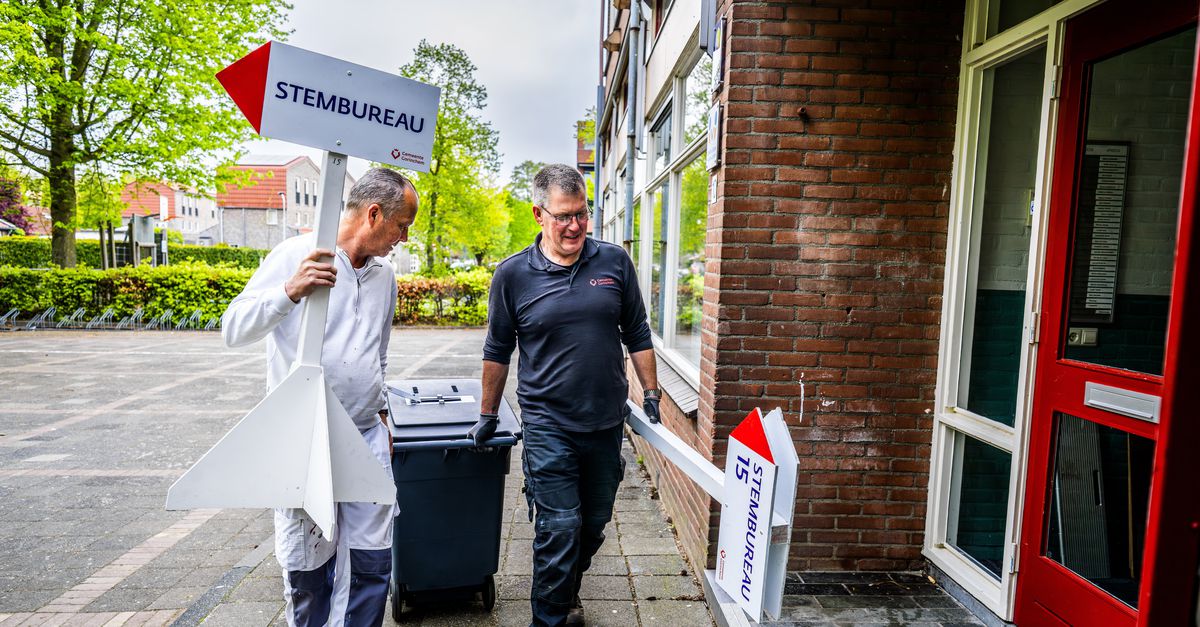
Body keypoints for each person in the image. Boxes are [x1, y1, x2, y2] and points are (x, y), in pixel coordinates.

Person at [221, 168, 418, 627]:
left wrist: (382, 414)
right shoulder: (297, 254)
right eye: (402, 225)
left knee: (372, 562)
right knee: (308, 566)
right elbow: (233, 328)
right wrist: (289, 291)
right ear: (374, 214)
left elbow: (378, 353)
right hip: (306, 443)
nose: (404, 237)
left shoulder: (384, 276)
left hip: (366, 437)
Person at [474, 164, 661, 627]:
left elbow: (637, 332)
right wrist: (487, 414)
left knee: (592, 526)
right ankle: (550, 618)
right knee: (558, 527)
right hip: (548, 423)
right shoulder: (513, 274)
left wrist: (652, 391)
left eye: (582, 213)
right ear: (538, 214)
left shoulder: (614, 262)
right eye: (563, 216)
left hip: (605, 422)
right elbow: (497, 349)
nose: (575, 225)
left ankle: (565, 590)